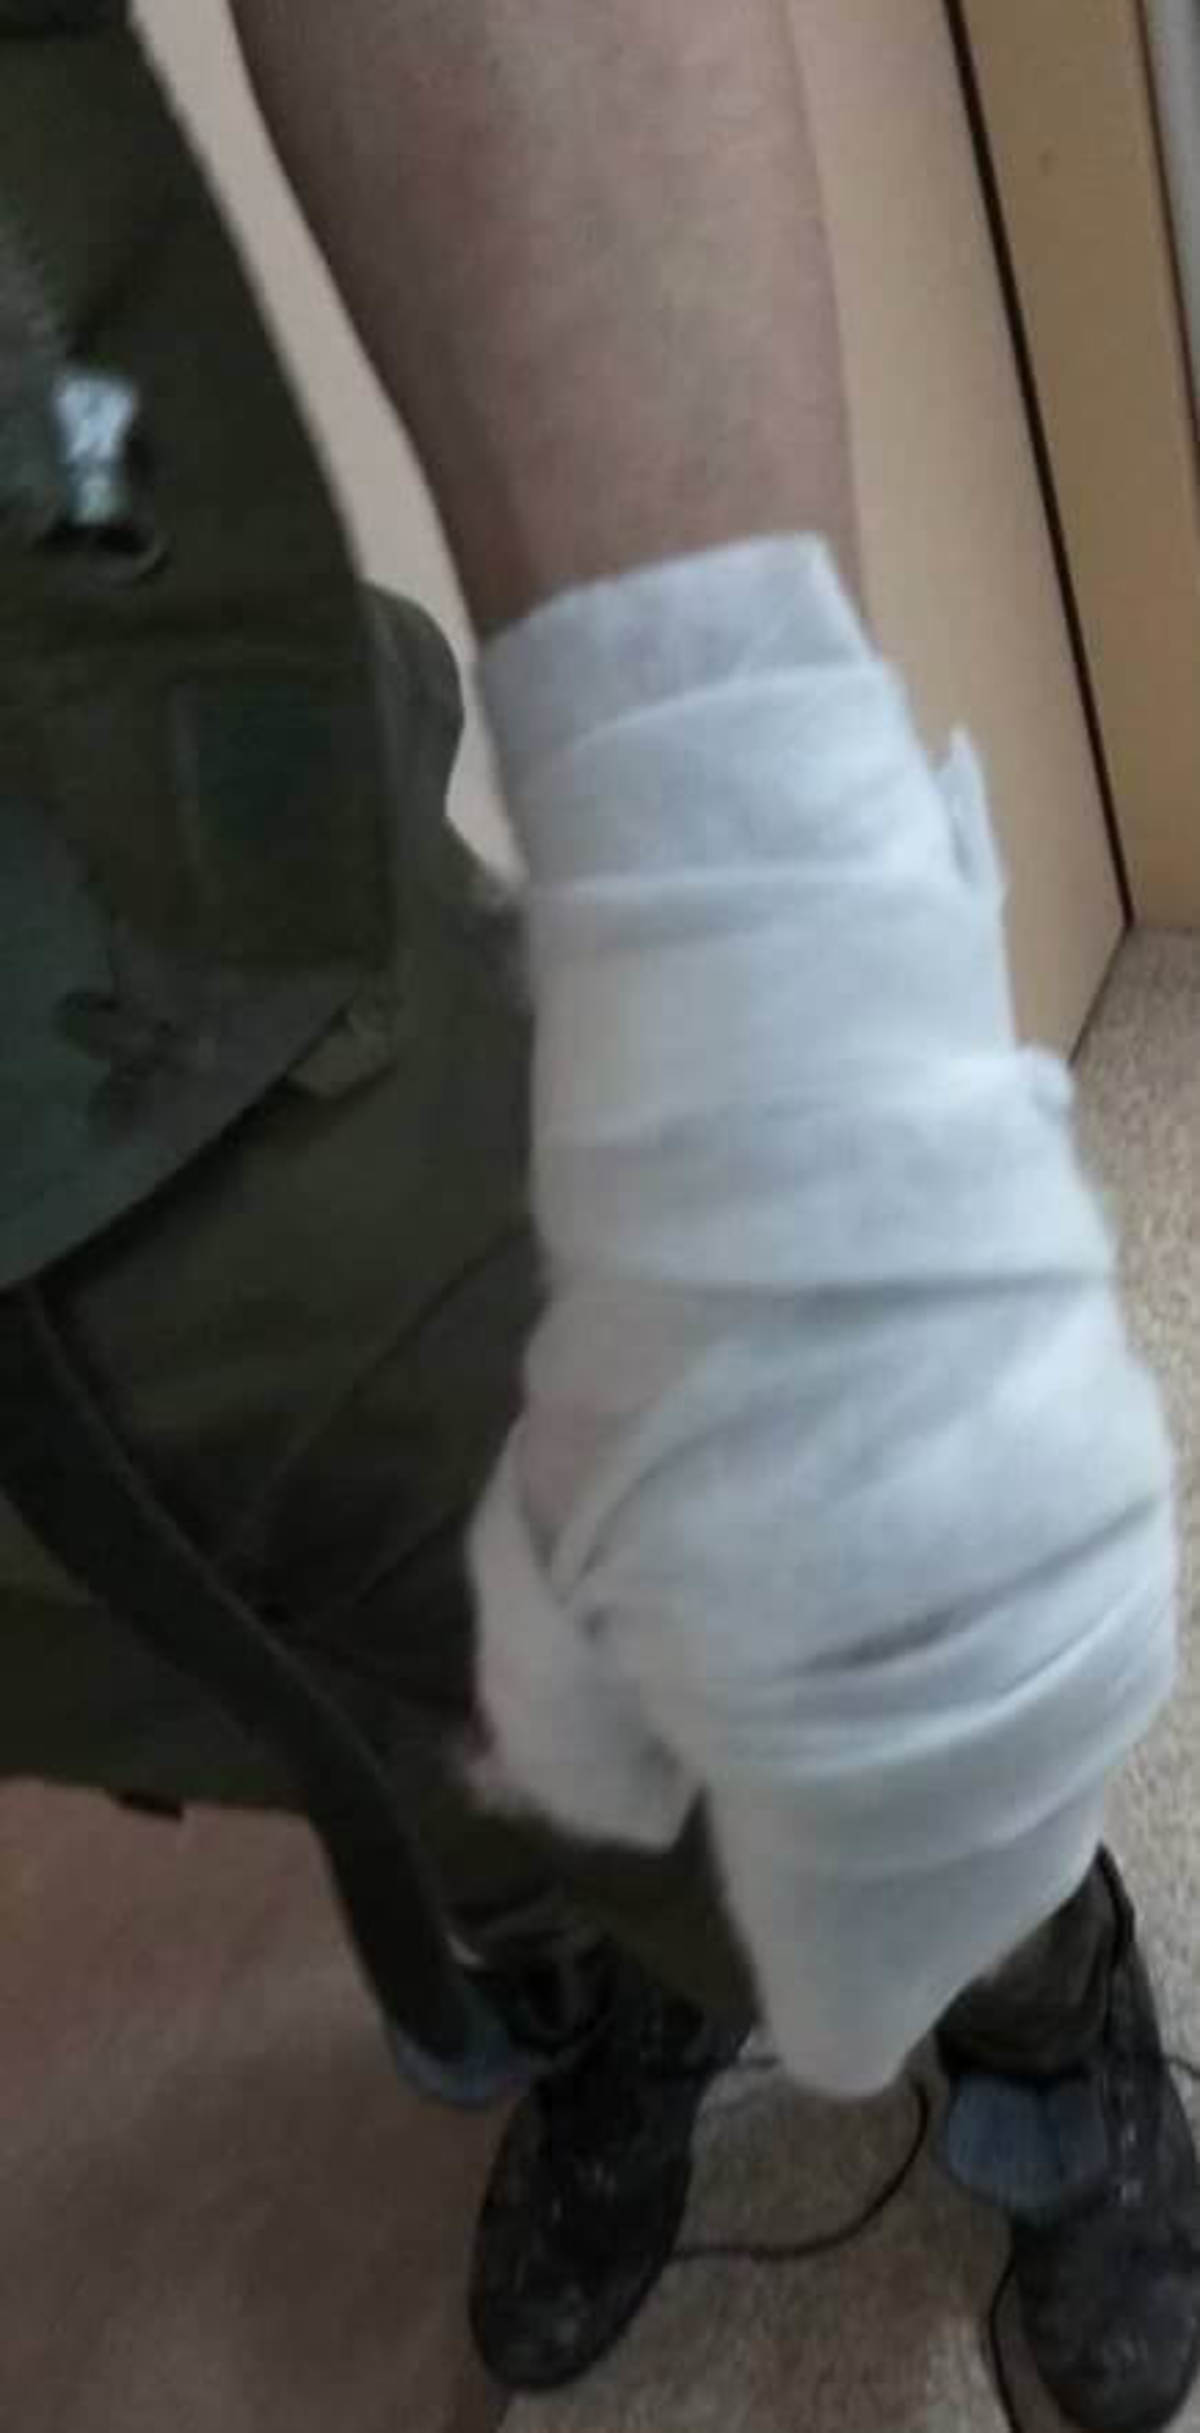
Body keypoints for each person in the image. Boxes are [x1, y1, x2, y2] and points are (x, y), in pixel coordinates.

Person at [2, 6, 1197, 2429]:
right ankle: (597, 1978)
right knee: (382, 1733)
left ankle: (1046, 2013)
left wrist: (783, 986)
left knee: (799, 1603)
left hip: (154, 979)